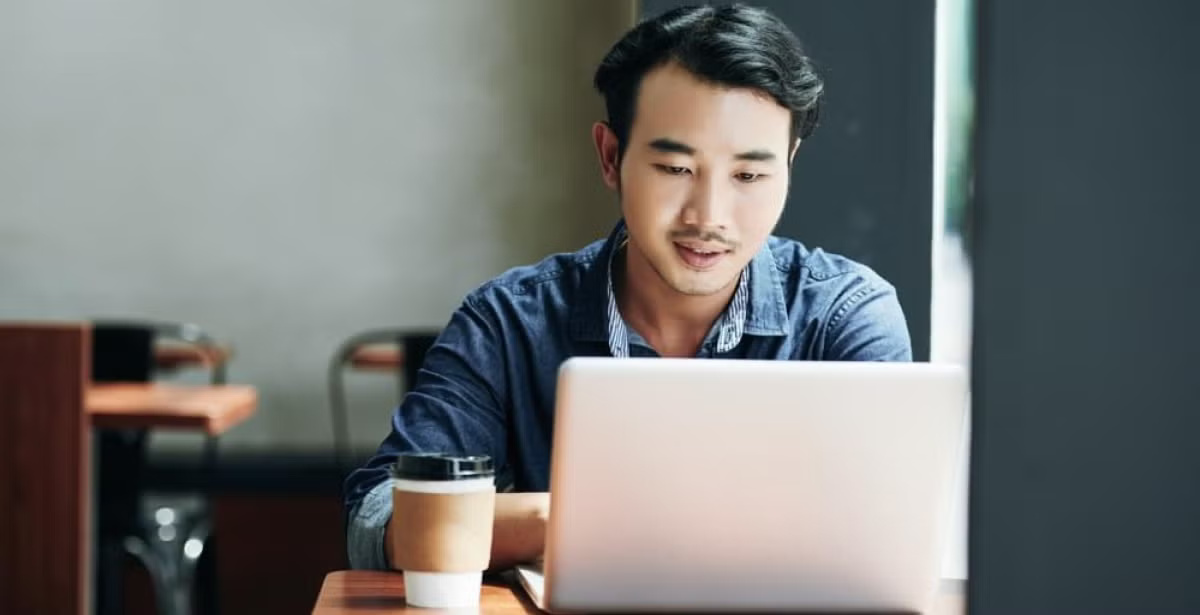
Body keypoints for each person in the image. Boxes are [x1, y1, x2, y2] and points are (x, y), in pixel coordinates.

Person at [345, 4, 912, 571]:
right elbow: (381, 523)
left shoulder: (844, 317)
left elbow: (886, 535)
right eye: (676, 169)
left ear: (788, 165)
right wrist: (562, 518)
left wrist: (525, 523)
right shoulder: (510, 322)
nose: (709, 216)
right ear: (611, 157)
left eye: (749, 176)